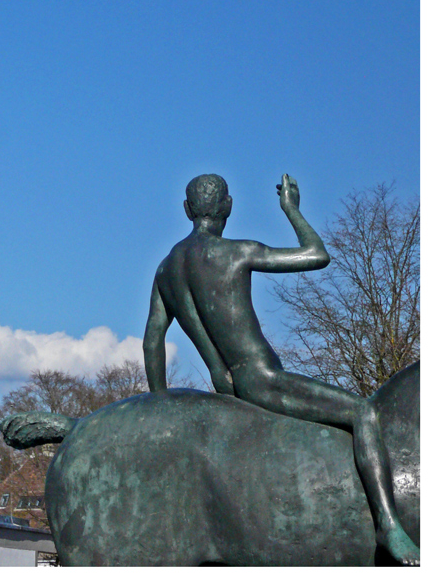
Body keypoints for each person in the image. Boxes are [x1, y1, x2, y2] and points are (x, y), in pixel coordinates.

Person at [143, 173, 419, 566]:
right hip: (262, 379)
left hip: (227, 387)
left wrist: (159, 404)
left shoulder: (166, 269)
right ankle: (389, 526)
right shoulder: (237, 252)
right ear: (228, 206)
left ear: (187, 210)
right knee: (364, 412)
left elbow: (153, 339)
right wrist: (292, 210)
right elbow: (316, 255)